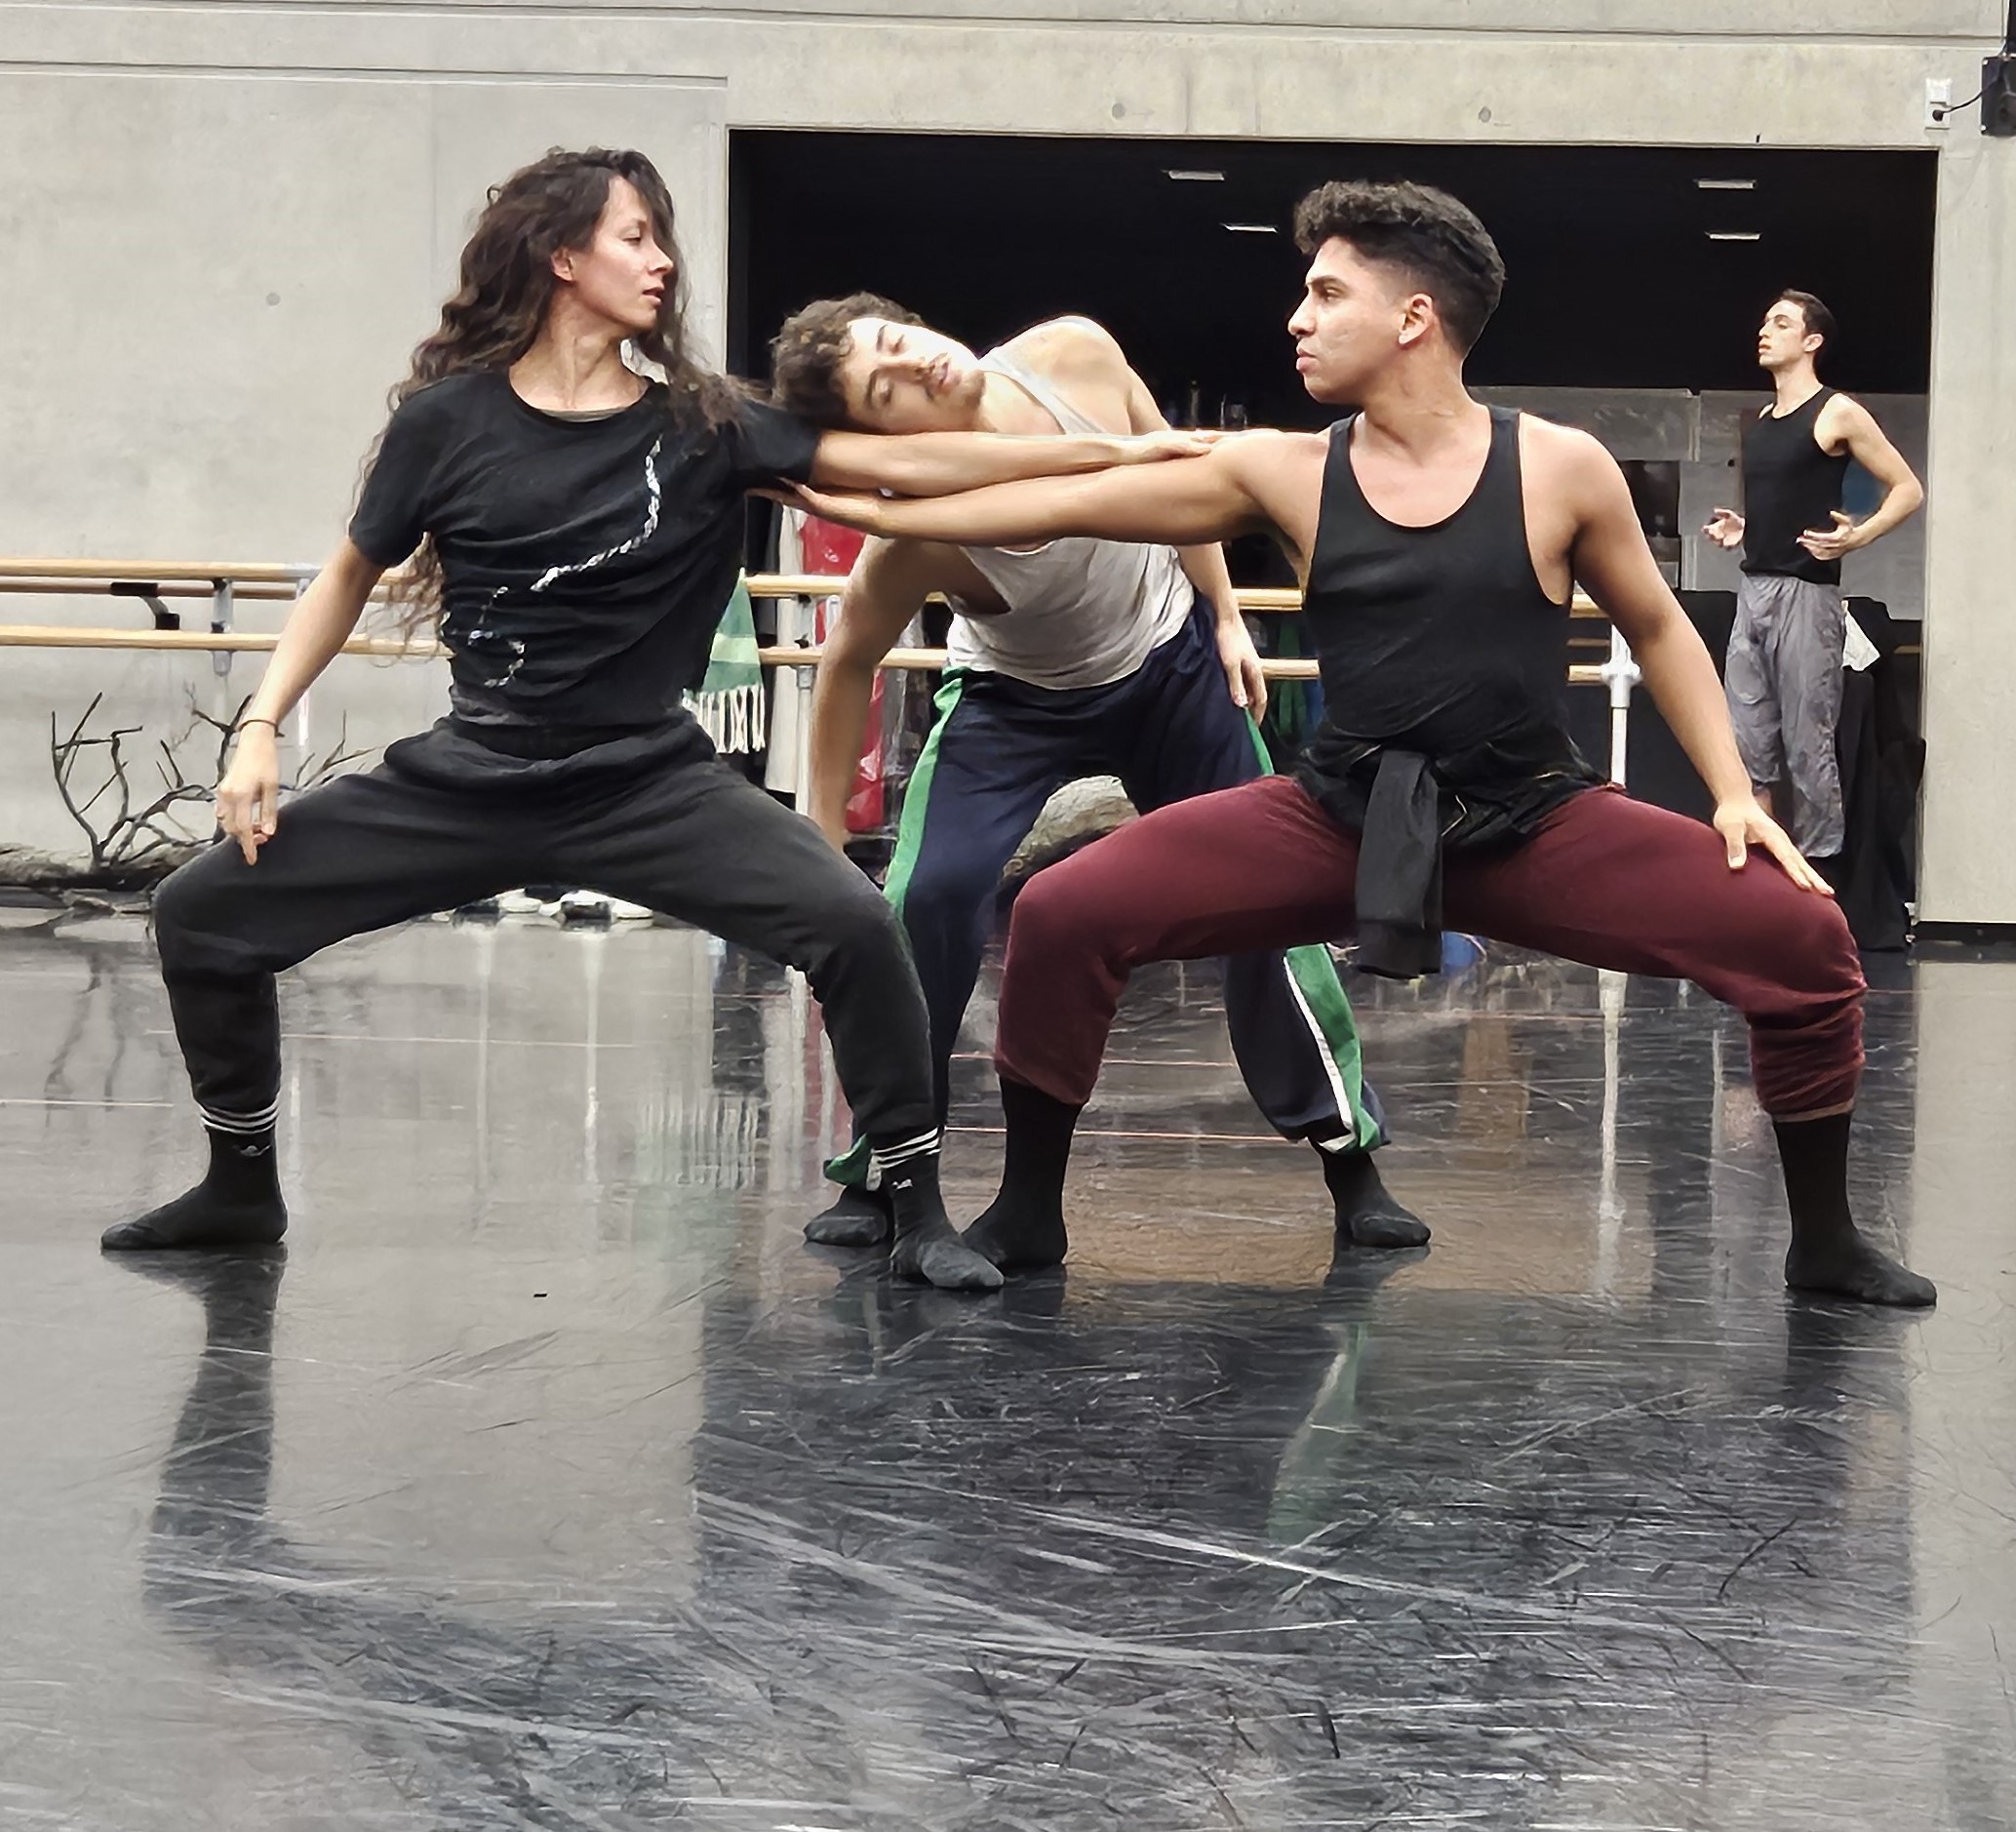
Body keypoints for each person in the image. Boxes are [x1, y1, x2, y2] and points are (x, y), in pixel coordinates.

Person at [792, 180, 1935, 1309]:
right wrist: (859, 496)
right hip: (1337, 819)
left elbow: (1658, 626)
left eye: (1327, 294)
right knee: (1059, 913)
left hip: (1532, 821)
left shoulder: (1560, 465)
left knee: (1803, 937)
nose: (1297, 318)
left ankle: (1825, 1243)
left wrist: (1731, 793)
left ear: (1413, 318)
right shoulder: (1286, 470)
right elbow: (1047, 498)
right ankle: (1029, 1209)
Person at [100, 147, 1206, 1293]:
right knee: (202, 914)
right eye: (635, 237)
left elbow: (914, 461)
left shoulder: (706, 424)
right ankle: (240, 1188)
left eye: (660, 238)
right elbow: (346, 575)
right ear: (559, 254)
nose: (662, 260)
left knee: (856, 925)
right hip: (473, 776)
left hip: (648, 784)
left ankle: (914, 1210)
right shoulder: (445, 424)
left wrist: (1129, 449)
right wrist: (261, 726)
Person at [767, 297, 1414, 1255]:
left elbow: (1183, 478)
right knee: (922, 899)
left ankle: (1350, 1159)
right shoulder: (917, 537)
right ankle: (882, 1165)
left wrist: (1225, 615)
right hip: (1011, 700)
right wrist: (821, 847)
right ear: (886, 445)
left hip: (1168, 668)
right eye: (887, 393)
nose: (917, 368)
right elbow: (846, 661)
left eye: (901, 344)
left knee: (1272, 896)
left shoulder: (1072, 354)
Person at [1703, 293, 1924, 869]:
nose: (1765, 330)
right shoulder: (1760, 423)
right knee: (1747, 747)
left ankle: (1822, 880)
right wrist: (1746, 528)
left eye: (1781, 323)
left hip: (1807, 598)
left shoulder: (1836, 412)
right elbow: (1785, 503)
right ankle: (1761, 883)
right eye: (1764, 321)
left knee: (1808, 748)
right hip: (1753, 594)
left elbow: (1908, 489)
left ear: (1811, 342)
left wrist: (1859, 536)